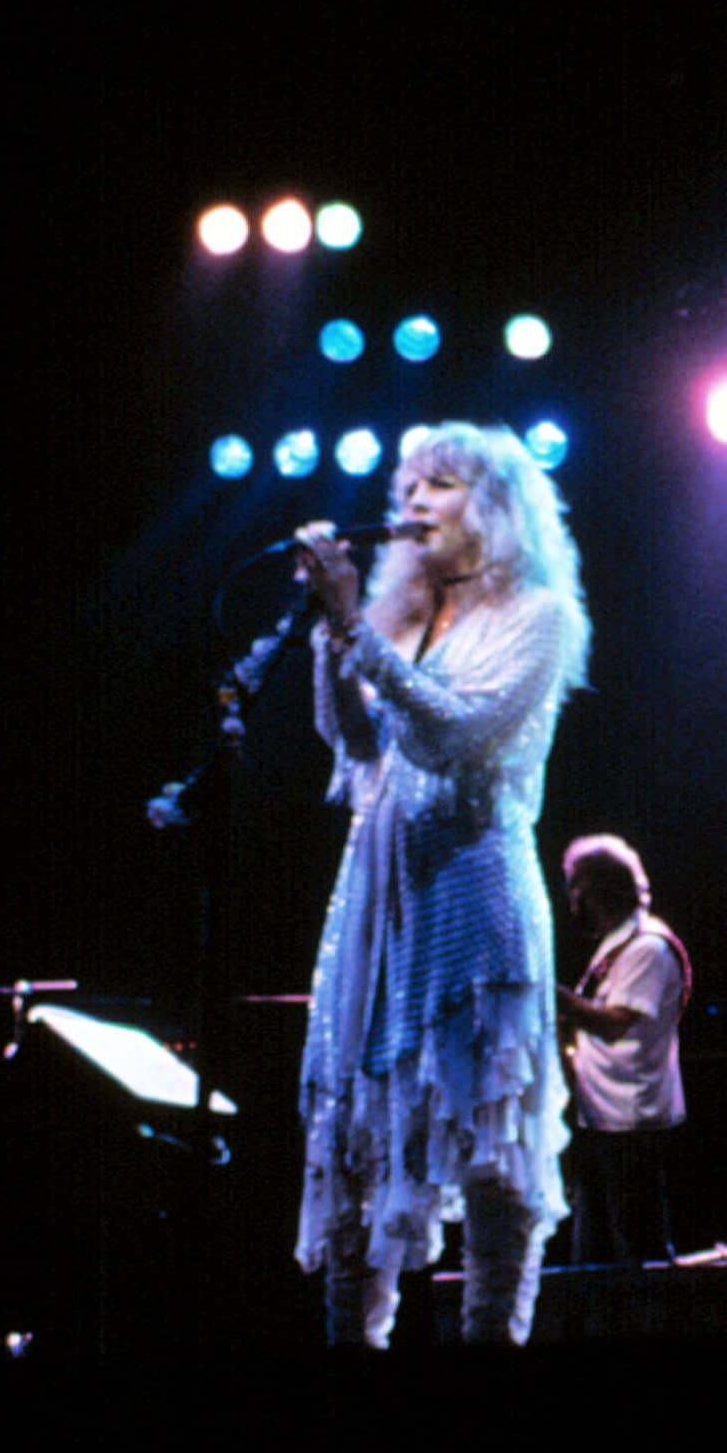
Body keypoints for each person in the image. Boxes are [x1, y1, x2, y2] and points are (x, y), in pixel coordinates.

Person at [292, 422, 589, 1349]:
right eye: (408, 487)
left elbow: (460, 733)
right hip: (377, 901)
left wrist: (353, 633)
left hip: (472, 889)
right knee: (359, 1137)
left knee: (489, 1138)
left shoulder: (541, 615)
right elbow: (358, 745)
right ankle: (353, 1347)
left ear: (495, 507)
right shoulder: (402, 618)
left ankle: (491, 1345)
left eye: (443, 485)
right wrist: (335, 637)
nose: (414, 503)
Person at [556, 834, 689, 1266]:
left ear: (599, 886)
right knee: (595, 1252)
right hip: (602, 1117)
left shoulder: (647, 947)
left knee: (637, 1250)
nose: (572, 896)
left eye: (576, 884)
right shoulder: (617, 942)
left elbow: (614, 1024)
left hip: (630, 1122)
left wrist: (548, 993)